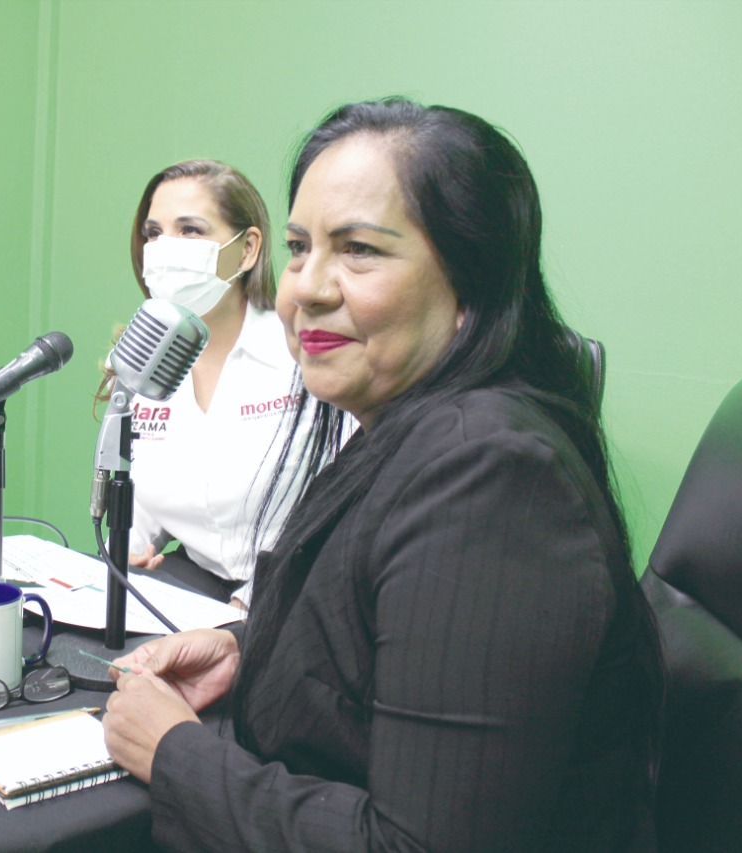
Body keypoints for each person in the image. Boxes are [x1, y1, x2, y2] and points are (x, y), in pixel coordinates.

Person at [102, 99, 663, 851]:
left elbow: (416, 843)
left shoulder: (492, 479)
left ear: (470, 282)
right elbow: (373, 629)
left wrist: (174, 752)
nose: (307, 289)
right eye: (300, 248)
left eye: (359, 249)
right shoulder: (397, 430)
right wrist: (244, 647)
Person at [118, 160, 319, 606]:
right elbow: (141, 503)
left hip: (302, 589)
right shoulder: (146, 362)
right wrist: (125, 556)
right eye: (154, 233)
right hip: (198, 588)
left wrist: (250, 605)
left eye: (190, 230)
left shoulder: (304, 355)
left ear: (247, 249)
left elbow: (344, 505)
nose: (164, 248)